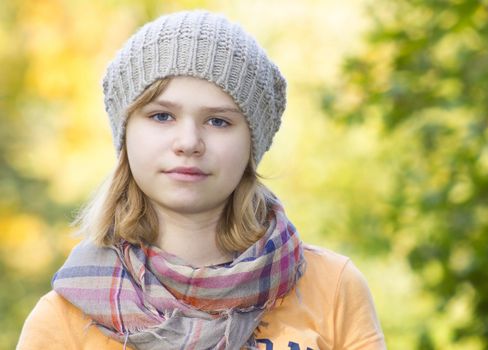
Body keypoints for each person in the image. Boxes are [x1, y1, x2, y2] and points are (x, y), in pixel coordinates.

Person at [17, 9, 386, 350]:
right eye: (162, 116)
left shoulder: (333, 287)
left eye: (218, 121)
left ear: (251, 143)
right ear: (126, 134)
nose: (189, 143)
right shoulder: (64, 319)